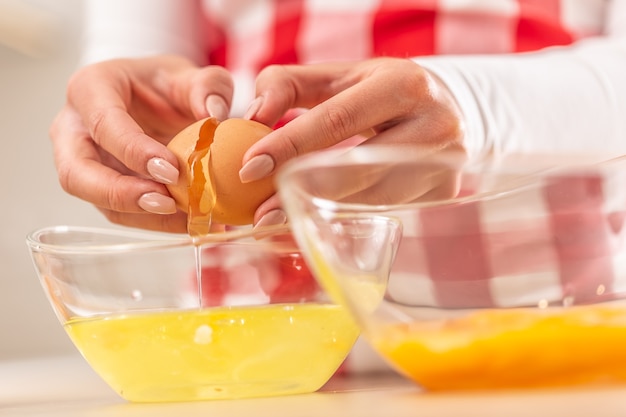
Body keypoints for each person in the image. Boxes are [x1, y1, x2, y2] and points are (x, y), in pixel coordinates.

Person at [50, 0, 626, 234]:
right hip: (266, 321)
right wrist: (117, 119)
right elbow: (137, 56)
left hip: (550, 309)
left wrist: (472, 107)